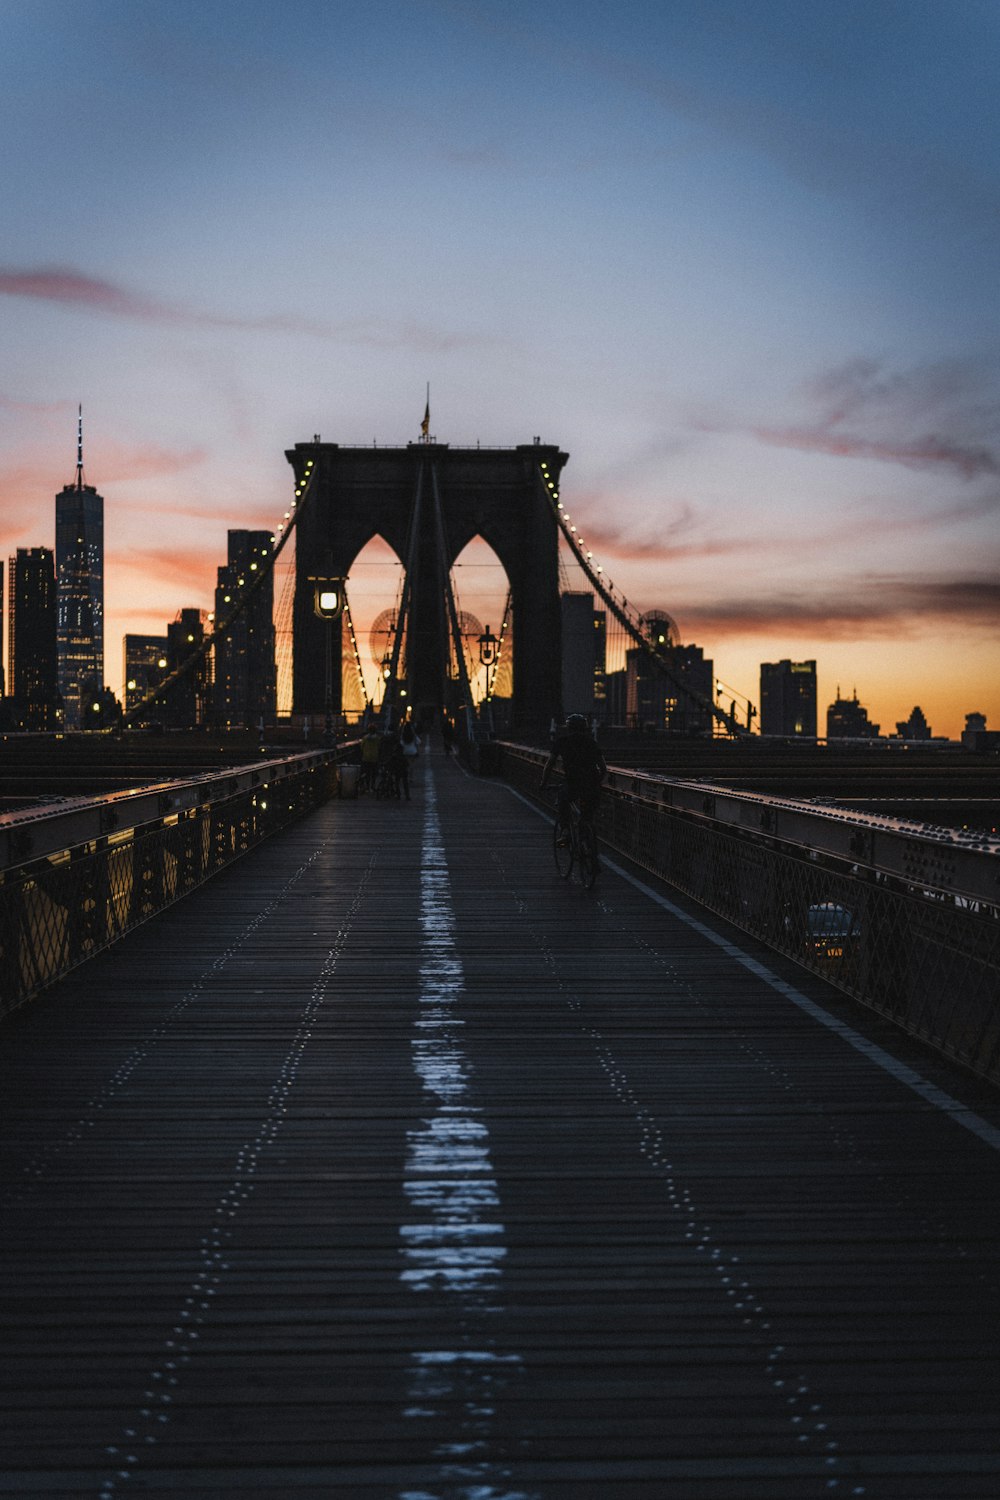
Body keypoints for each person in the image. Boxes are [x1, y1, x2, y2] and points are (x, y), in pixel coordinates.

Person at [540, 714, 607, 841]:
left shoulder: (562, 742)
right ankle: (588, 838)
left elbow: (549, 764)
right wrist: (598, 783)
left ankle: (565, 831)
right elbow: (603, 768)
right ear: (584, 728)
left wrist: (544, 782)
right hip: (591, 784)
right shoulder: (591, 742)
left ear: (568, 727)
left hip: (573, 783)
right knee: (588, 814)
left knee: (563, 800)